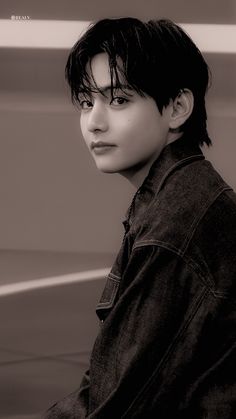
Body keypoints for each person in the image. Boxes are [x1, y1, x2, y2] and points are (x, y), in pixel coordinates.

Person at [45, 17, 236, 418]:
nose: (95, 122)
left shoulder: (173, 229)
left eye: (118, 100)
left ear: (178, 107)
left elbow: (116, 403)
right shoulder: (189, 194)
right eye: (86, 101)